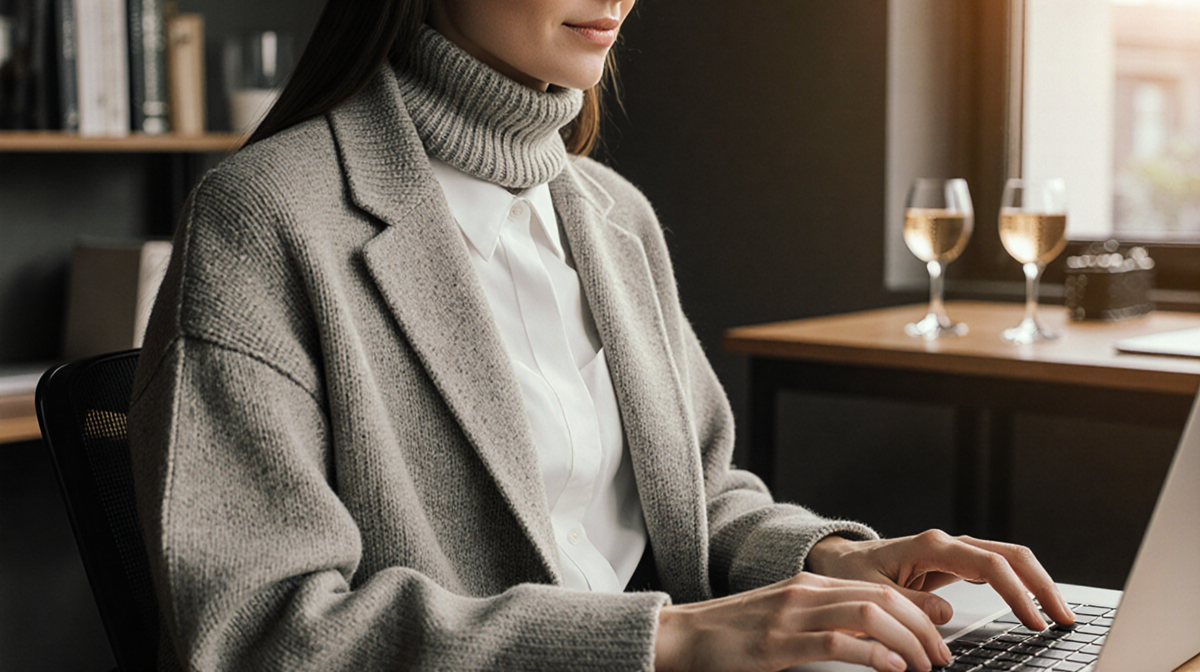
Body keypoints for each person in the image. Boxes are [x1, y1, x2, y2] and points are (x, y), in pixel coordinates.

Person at [127, 1, 1075, 671]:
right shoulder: (265, 217)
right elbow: (260, 631)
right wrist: (671, 639)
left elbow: (700, 496)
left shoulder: (613, 214)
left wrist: (827, 558)